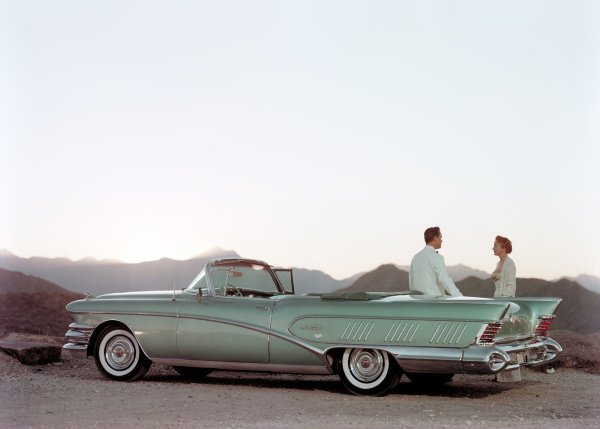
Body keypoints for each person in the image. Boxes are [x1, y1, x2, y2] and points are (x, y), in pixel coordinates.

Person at [409, 226, 462, 296]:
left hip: (417, 301)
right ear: (435, 238)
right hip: (433, 302)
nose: (442, 240)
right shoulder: (437, 257)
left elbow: (411, 280)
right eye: (440, 237)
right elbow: (444, 279)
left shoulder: (416, 257)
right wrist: (459, 297)